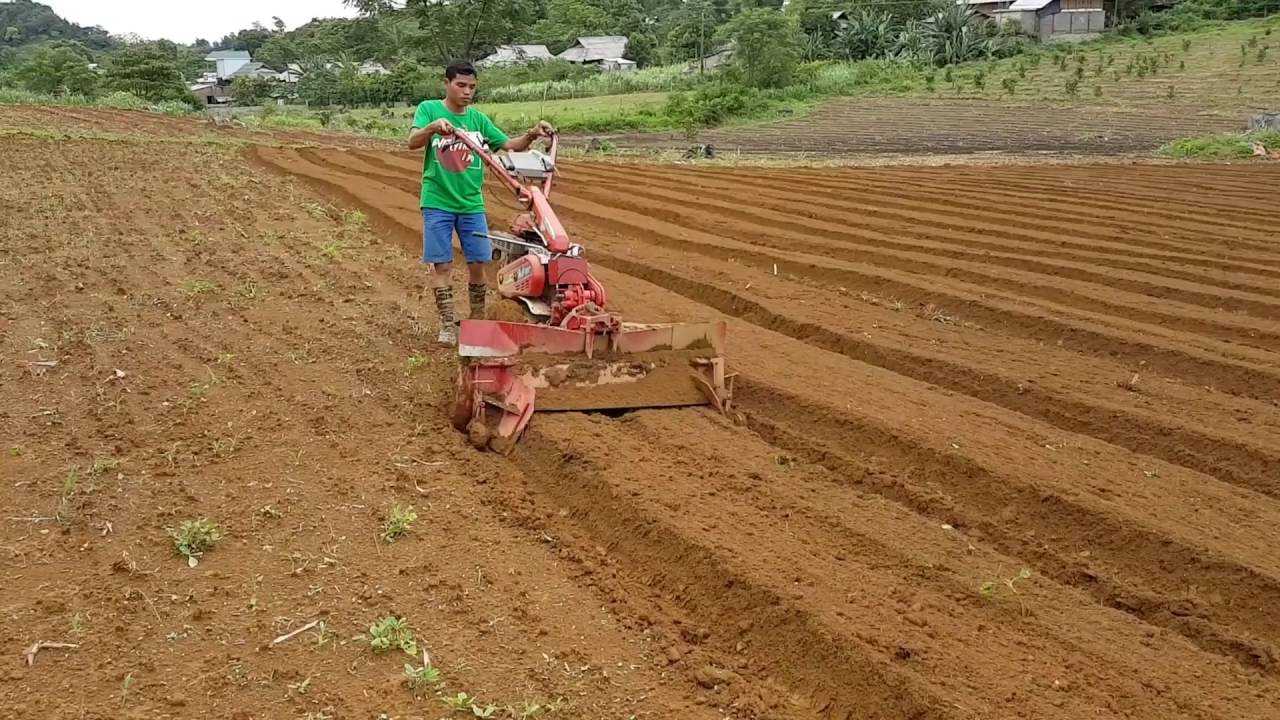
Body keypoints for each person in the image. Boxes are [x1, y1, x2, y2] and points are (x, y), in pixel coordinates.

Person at [409, 60, 555, 346]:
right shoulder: (429, 109)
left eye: (472, 87)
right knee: (443, 266)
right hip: (437, 200)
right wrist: (432, 128)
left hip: (471, 203)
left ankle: (475, 320)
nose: (467, 92)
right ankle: (447, 325)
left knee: (479, 262)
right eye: (461, 85)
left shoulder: (477, 120)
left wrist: (532, 133)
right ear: (447, 84)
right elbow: (412, 141)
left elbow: (510, 145)